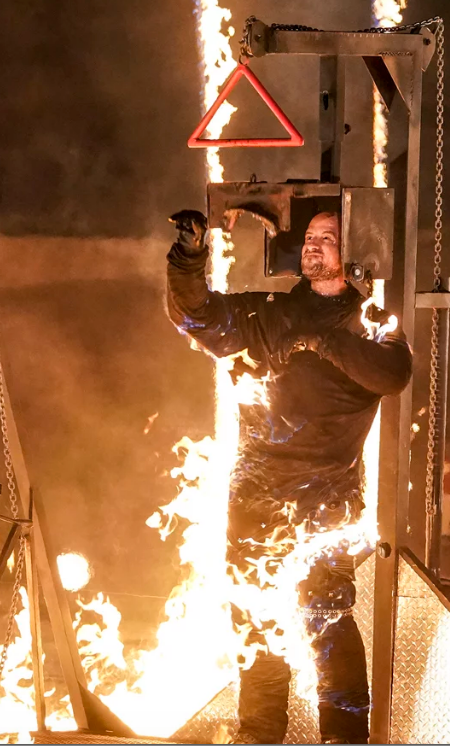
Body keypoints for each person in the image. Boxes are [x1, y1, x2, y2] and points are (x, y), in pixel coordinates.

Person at [165, 208, 412, 744]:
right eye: (310, 238)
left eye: (328, 238)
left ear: (354, 251)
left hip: (326, 507)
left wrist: (321, 343)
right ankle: (258, 737)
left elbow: (393, 374)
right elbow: (198, 318)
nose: (313, 246)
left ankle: (344, 741)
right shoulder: (267, 313)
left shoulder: (372, 324)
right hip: (255, 504)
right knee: (257, 630)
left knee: (327, 623)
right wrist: (188, 258)